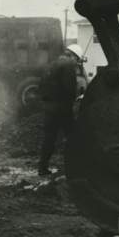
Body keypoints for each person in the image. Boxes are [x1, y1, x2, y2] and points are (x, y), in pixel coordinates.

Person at [37, 47, 82, 176]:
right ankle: (75, 168)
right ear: (73, 56)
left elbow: (41, 86)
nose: (76, 63)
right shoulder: (68, 65)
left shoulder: (51, 64)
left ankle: (42, 168)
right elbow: (69, 87)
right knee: (73, 136)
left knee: (49, 139)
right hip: (62, 108)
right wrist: (76, 97)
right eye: (77, 60)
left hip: (49, 108)